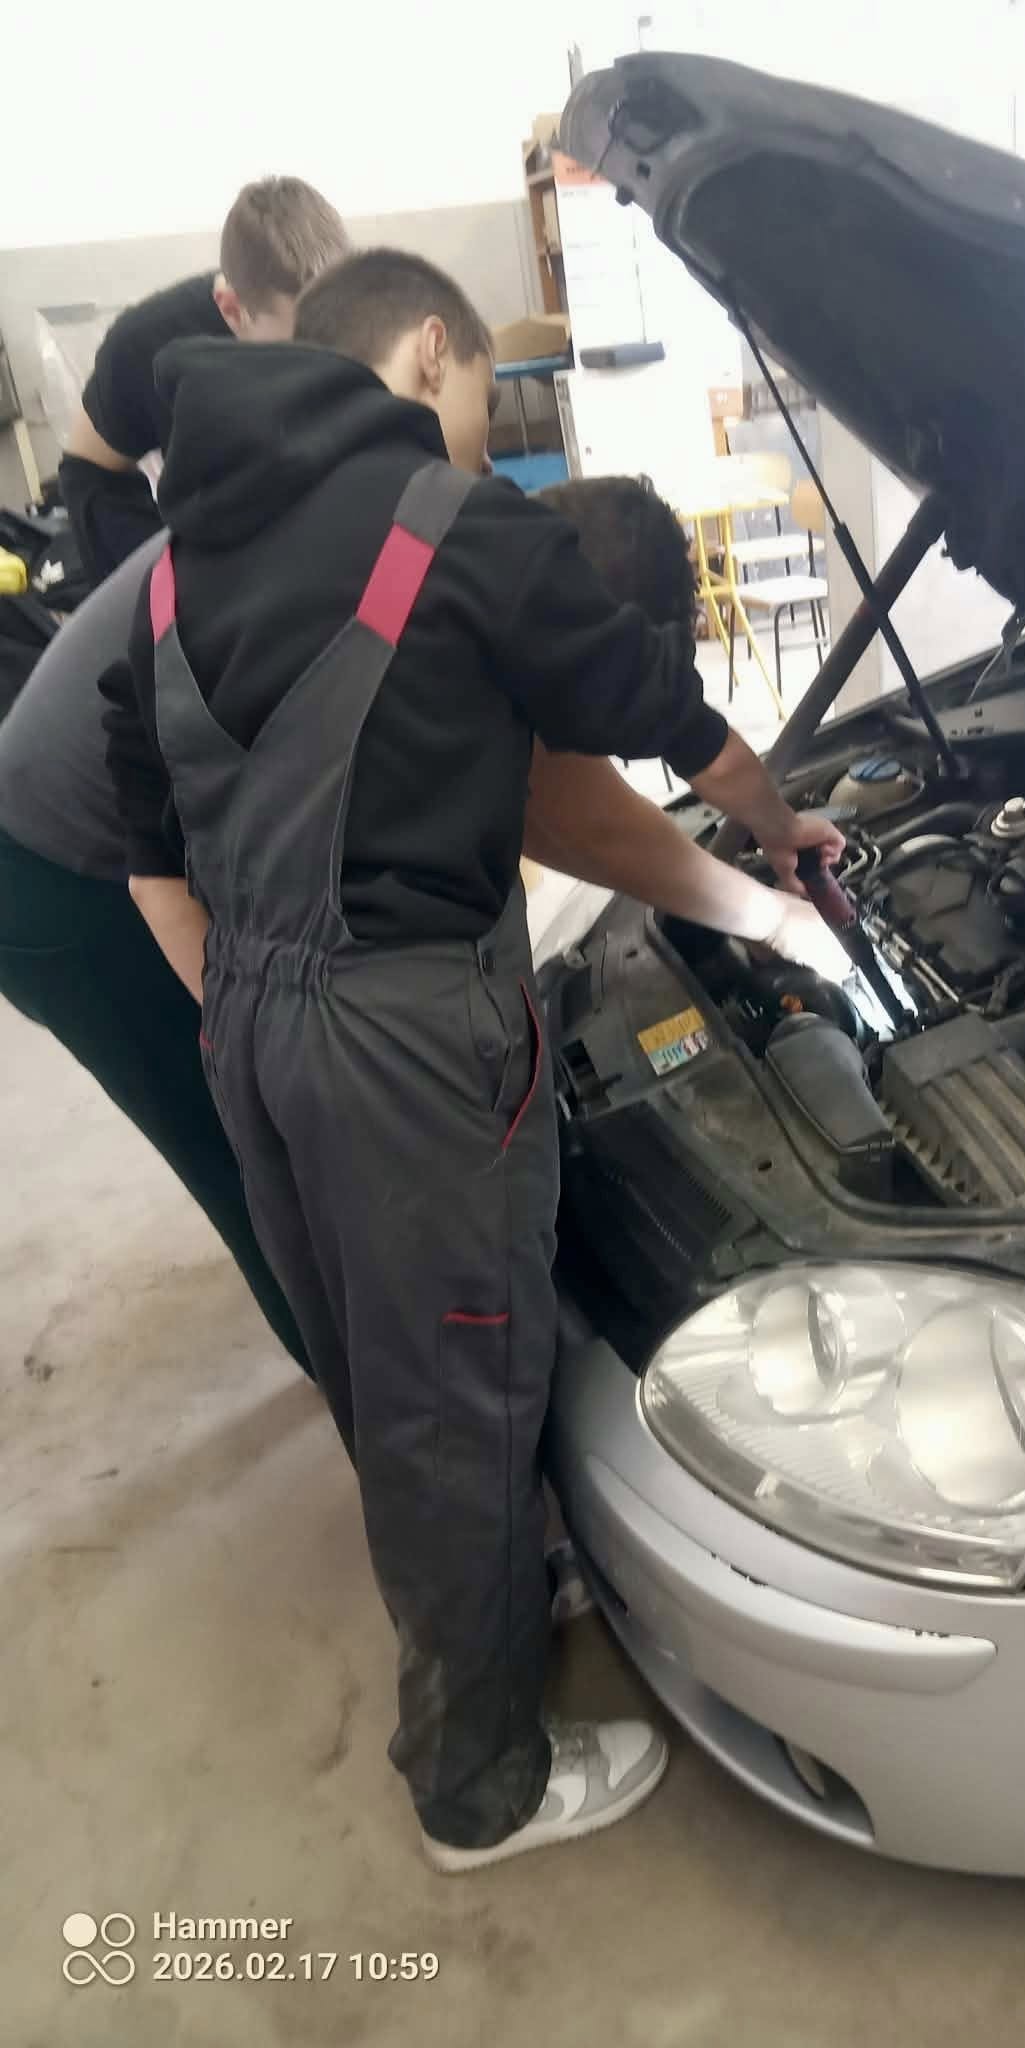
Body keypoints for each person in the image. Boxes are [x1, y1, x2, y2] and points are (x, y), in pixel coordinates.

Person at [100, 247, 844, 1868]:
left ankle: (495, 1591)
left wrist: (264, 1008)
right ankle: (477, 1782)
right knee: (459, 1384)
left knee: (382, 1369)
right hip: (408, 1033)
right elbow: (665, 715)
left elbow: (151, 838)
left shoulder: (171, 566)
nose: (482, 420)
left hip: (250, 1015)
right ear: (432, 352)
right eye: (483, 386)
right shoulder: (461, 530)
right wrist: (783, 834)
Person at [0, 481, 839, 1381]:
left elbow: (558, 801)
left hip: (166, 824)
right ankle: (376, 1405)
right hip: (61, 866)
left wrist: (773, 873)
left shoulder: (469, 550)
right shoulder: (446, 602)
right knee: (268, 1166)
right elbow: (578, 818)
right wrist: (771, 915)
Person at [57, 178, 350, 588]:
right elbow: (86, 470)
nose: (322, 362)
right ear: (232, 310)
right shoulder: (146, 344)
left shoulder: (363, 312)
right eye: (301, 347)